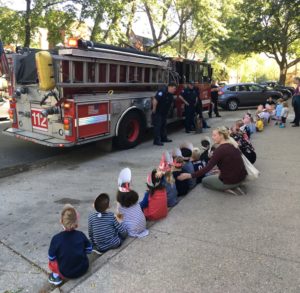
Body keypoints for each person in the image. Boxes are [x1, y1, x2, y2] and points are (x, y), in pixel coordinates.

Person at [178, 127, 247, 195]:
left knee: (204, 181)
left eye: (214, 135)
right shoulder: (232, 144)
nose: (212, 137)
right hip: (241, 178)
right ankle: (233, 186)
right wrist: (221, 171)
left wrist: (190, 175)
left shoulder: (220, 150)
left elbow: (208, 168)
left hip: (230, 181)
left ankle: (225, 188)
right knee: (215, 176)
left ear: (221, 136)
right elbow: (233, 163)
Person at [48, 204, 92, 285]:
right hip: (83, 268)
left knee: (52, 262)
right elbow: (89, 250)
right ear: (76, 221)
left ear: (61, 221)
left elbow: (51, 258)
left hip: (66, 273)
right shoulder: (81, 235)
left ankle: (55, 277)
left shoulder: (56, 239)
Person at [116, 168, 149, 238]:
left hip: (133, 230)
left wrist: (117, 208)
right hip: (143, 225)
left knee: (116, 217)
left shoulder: (120, 205)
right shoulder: (134, 198)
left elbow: (120, 218)